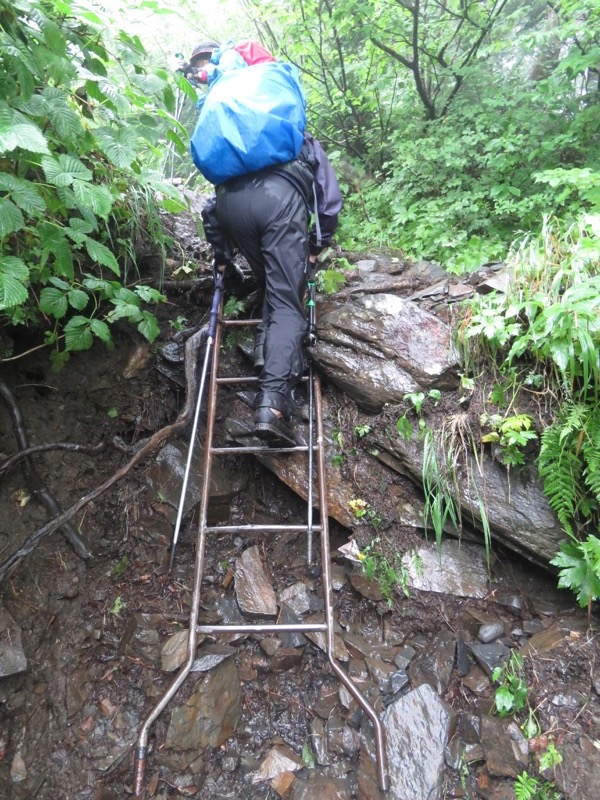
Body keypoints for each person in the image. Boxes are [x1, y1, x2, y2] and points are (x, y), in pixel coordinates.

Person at [201, 131, 343, 446]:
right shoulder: (298, 137)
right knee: (288, 305)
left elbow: (211, 210)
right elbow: (329, 201)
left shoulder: (237, 141)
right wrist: (317, 245)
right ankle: (272, 407)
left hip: (232, 204)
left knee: (272, 280)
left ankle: (267, 353)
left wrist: (222, 259)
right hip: (280, 202)